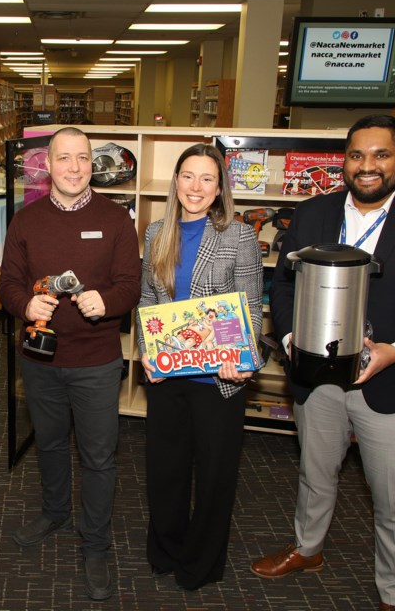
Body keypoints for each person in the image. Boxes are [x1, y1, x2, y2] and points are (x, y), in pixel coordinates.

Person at [251, 114, 395, 611]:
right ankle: (307, 549)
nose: (368, 166)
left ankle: (394, 594)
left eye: (381, 155)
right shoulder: (313, 213)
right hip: (317, 375)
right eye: (357, 155)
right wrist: (293, 336)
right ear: (345, 161)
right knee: (316, 472)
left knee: (393, 497)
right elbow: (287, 283)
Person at [0, 127, 141, 601]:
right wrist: (25, 307)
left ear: (92, 165)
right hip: (40, 359)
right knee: (51, 443)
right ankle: (55, 510)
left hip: (97, 361)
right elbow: (8, 284)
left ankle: (95, 543)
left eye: (82, 158)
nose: (75, 168)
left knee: (99, 456)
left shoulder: (117, 219)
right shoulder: (26, 221)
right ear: (47, 164)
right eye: (64, 158)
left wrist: (109, 302)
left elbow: (130, 285)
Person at [136, 143, 263, 591]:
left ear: (219, 187)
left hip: (218, 381)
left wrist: (240, 359)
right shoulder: (156, 233)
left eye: (207, 178)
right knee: (165, 470)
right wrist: (147, 350)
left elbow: (248, 308)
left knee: (214, 476)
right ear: (175, 182)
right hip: (168, 375)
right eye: (188, 176)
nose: (196, 187)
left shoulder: (239, 235)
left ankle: (202, 562)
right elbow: (148, 302)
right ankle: (166, 549)